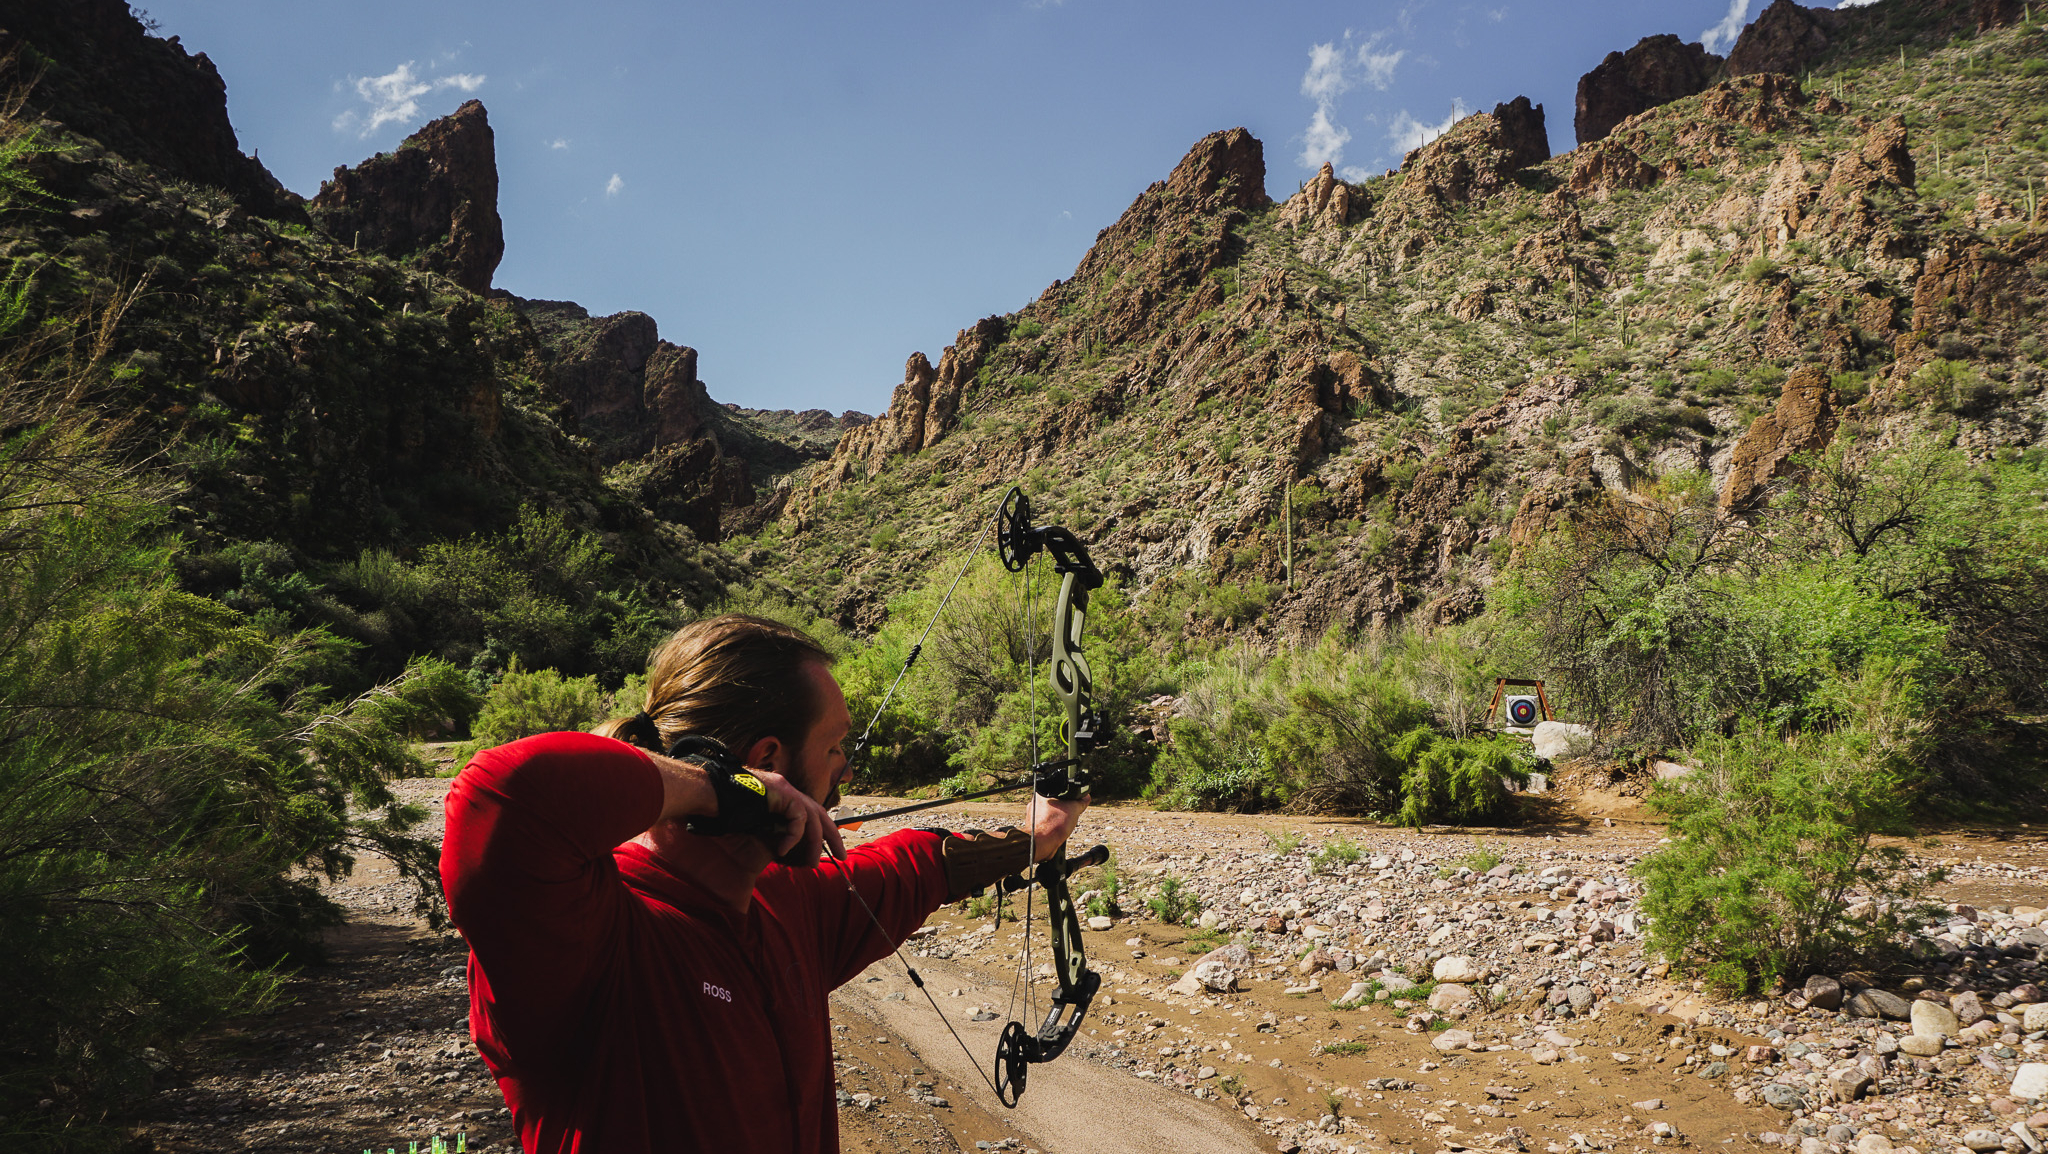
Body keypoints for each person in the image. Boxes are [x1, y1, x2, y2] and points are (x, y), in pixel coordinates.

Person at [440, 614, 1088, 1154]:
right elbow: (502, 797)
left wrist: (1039, 836)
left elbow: (914, 866)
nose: (846, 774)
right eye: (835, 749)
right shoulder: (588, 927)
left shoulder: (786, 900)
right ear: (768, 763)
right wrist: (717, 791)